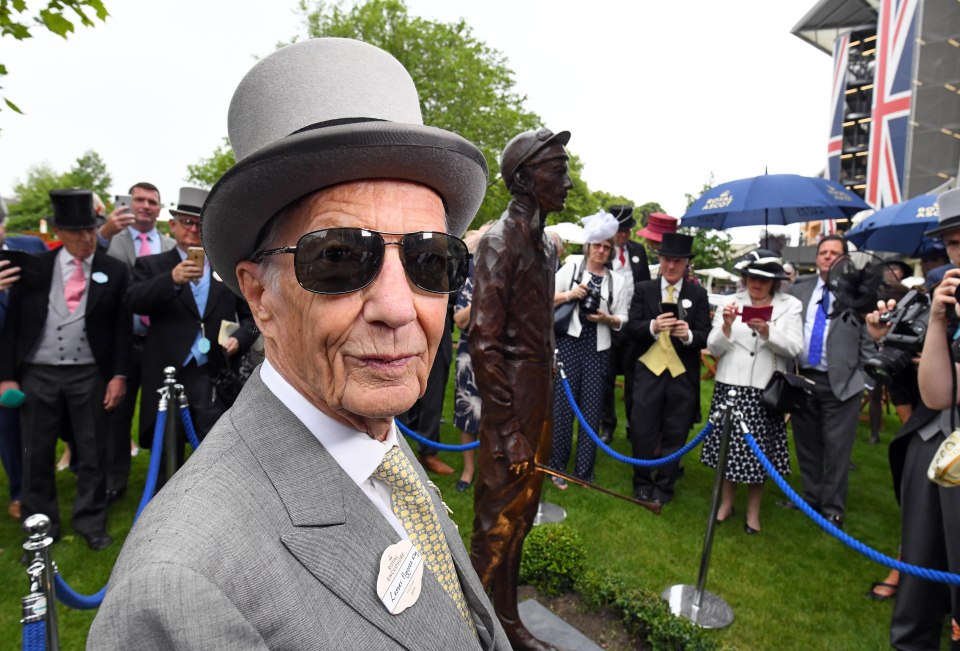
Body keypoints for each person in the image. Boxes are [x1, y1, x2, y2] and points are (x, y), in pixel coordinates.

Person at [89, 38, 507, 649]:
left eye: (430, 259)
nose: (398, 307)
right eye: (339, 257)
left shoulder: (373, 439)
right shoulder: (180, 592)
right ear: (260, 298)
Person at [469, 126, 572, 651]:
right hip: (509, 397)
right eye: (558, 170)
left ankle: (506, 621)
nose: (569, 181)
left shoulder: (545, 248)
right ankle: (466, 635)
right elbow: (483, 342)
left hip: (539, 392)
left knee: (522, 517)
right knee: (494, 525)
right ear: (527, 179)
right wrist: (508, 428)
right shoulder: (497, 242)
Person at [0, 189, 131, 550]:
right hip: (38, 373)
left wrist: (118, 375)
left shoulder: (113, 270)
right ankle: (41, 525)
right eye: (77, 232)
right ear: (58, 231)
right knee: (36, 452)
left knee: (92, 450)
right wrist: (7, 376)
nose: (87, 238)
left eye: (91, 230)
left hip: (88, 372)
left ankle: (90, 521)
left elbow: (122, 328)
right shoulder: (34, 269)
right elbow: (12, 327)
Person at [867, 187, 960, 650]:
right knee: (919, 591)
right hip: (934, 445)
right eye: (955, 243)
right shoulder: (940, 298)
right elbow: (937, 394)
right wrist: (907, 333)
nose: (959, 253)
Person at [126, 187, 256, 485]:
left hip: (212, 373)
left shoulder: (226, 267)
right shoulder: (153, 265)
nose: (193, 230)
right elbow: (133, 300)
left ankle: (208, 493)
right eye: (186, 222)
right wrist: (170, 280)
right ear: (172, 225)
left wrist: (239, 337)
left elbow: (252, 316)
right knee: (168, 449)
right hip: (168, 372)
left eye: (199, 224)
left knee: (211, 442)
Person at [700, 250, 803, 533]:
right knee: (727, 451)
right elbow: (714, 346)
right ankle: (726, 503)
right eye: (752, 278)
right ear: (745, 278)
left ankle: (753, 513)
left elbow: (796, 348)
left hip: (765, 390)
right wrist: (727, 327)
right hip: (730, 385)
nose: (757, 284)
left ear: (775, 282)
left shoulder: (790, 305)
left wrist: (768, 332)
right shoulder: (731, 302)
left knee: (759, 456)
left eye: (764, 279)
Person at [785, 234, 875, 528]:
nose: (827, 257)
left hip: (842, 383)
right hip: (804, 379)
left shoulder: (858, 291)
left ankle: (833, 507)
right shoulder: (800, 289)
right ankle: (810, 498)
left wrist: (860, 376)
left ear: (845, 258)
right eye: (823, 252)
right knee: (807, 443)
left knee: (837, 449)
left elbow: (869, 339)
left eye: (834, 252)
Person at [98, 182, 177, 504]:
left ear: (159, 209)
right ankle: (115, 479)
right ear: (129, 204)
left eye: (152, 202)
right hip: (124, 340)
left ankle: (167, 475)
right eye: (139, 200)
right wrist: (103, 234)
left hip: (159, 341)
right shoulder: (112, 240)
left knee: (160, 411)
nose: (145, 206)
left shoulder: (170, 243)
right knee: (119, 414)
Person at [627, 231, 711, 505]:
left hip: (681, 375)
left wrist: (687, 334)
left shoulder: (698, 294)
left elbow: (704, 335)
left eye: (678, 261)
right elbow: (632, 328)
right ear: (660, 260)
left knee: (676, 431)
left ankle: (664, 487)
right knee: (642, 429)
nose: (672, 266)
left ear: (686, 263)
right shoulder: (644, 290)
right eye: (667, 260)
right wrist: (653, 326)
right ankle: (641, 482)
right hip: (649, 371)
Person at [550, 212, 629, 486]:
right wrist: (572, 294)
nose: (601, 250)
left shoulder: (617, 281)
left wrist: (607, 318)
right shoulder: (571, 268)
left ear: (611, 250)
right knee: (562, 406)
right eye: (597, 245)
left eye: (606, 246)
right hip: (569, 344)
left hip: (598, 349)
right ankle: (557, 467)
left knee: (591, 408)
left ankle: (584, 471)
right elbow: (547, 297)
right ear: (588, 246)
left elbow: (624, 318)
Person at [0, 203, 47, 521]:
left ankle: (50, 481)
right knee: (8, 428)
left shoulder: (29, 247)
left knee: (45, 424)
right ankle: (20, 491)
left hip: (34, 355)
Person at [599, 205, 650, 444]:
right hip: (608, 324)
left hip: (633, 326)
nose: (624, 234)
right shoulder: (602, 251)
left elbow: (646, 286)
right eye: (620, 229)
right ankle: (607, 424)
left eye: (628, 230)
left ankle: (633, 422)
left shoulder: (638, 251)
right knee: (607, 378)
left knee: (634, 379)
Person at [451, 225, 489, 492]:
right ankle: (468, 469)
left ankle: (490, 469)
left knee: (496, 415)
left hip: (502, 356)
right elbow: (459, 319)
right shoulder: (471, 274)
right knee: (467, 412)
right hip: (470, 353)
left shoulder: (512, 275)